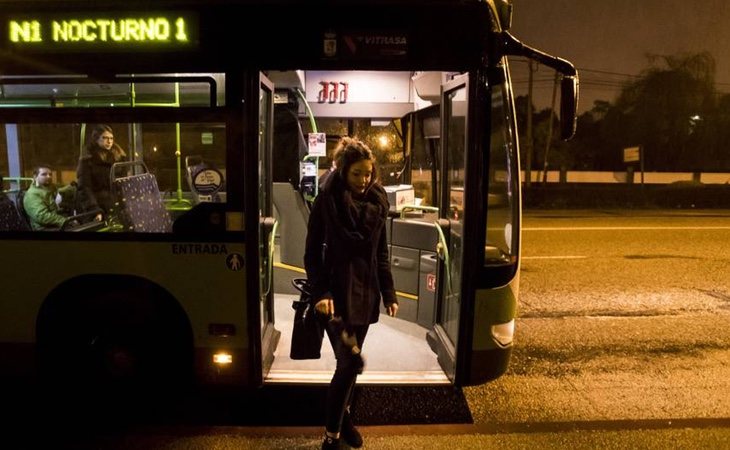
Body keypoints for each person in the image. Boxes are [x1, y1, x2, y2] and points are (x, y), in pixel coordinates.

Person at [304, 137, 399, 450]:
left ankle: (344, 420)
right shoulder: (326, 201)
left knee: (348, 368)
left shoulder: (378, 202)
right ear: (344, 170)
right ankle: (331, 434)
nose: (363, 180)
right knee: (349, 363)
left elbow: (380, 253)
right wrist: (320, 292)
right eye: (357, 173)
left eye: (368, 173)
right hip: (335, 296)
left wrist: (390, 293)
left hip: (366, 293)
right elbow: (311, 254)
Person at [76, 124, 126, 219]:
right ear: (96, 139)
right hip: (97, 206)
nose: (109, 141)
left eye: (111, 138)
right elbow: (84, 187)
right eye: (105, 138)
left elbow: (123, 184)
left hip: (115, 204)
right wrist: (94, 210)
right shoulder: (88, 159)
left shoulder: (119, 158)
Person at [23, 165, 72, 231]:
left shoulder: (49, 188)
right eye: (44, 174)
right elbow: (42, 216)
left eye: (50, 174)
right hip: (43, 228)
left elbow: (58, 190)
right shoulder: (32, 194)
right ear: (35, 177)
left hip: (53, 222)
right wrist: (63, 220)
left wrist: (71, 187)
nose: (49, 177)